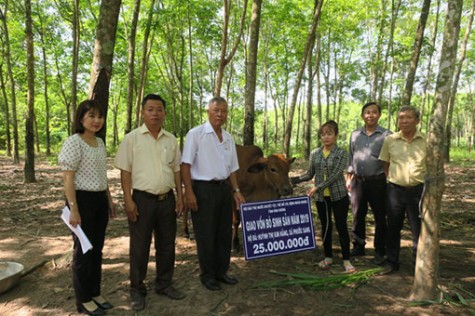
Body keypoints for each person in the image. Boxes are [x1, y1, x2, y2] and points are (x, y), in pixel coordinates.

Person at [114, 94, 185, 311]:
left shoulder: (171, 139)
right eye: (151, 109)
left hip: (167, 200)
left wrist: (180, 197)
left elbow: (176, 170)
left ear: (164, 113)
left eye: (159, 109)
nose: (155, 113)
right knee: (140, 247)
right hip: (142, 200)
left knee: (166, 245)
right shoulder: (132, 139)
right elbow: (125, 172)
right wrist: (128, 200)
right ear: (143, 112)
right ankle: (137, 289)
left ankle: (164, 284)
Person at [181, 96, 245, 291]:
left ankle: (221, 271)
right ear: (208, 111)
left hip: (224, 189)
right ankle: (207, 275)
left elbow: (233, 168)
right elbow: (185, 165)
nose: (220, 114)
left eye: (224, 111)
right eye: (216, 110)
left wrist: (236, 191)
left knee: (224, 232)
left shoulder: (228, 137)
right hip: (202, 189)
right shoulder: (196, 134)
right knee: (206, 234)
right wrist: (189, 192)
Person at [58, 99, 116, 316]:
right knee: (83, 250)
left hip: (99, 200)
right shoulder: (74, 142)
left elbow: (102, 176)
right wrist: (74, 208)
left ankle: (95, 292)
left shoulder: (99, 143)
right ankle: (83, 300)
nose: (96, 120)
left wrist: (109, 200)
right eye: (91, 115)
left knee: (97, 249)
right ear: (81, 118)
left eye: (99, 116)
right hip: (80, 202)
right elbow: (68, 179)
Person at [292, 120, 355, 273]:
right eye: (323, 134)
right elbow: (310, 173)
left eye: (329, 134)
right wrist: (293, 180)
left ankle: (346, 260)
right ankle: (328, 257)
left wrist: (317, 187)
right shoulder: (315, 153)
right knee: (326, 227)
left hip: (338, 196)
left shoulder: (341, 153)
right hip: (321, 198)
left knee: (341, 227)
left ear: (336, 135)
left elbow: (335, 176)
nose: (326, 137)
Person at [379, 105, 426, 274]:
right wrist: (393, 181)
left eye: (408, 117)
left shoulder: (426, 140)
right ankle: (392, 262)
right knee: (392, 227)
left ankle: (418, 264)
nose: (404, 121)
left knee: (418, 229)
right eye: (401, 118)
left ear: (417, 120)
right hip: (395, 191)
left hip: (418, 191)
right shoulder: (390, 140)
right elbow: (385, 163)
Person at [346, 102, 391, 265]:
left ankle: (380, 250)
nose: (370, 115)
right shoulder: (355, 134)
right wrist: (349, 179)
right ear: (362, 115)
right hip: (358, 181)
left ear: (379, 115)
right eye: (367, 112)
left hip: (378, 181)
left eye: (374, 112)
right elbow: (351, 156)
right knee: (358, 214)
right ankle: (358, 245)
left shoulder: (387, 135)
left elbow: (391, 159)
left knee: (380, 216)